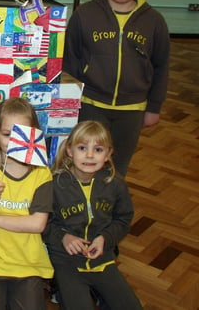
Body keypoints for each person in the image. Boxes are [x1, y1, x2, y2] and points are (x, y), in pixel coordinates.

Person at [63, 0, 170, 177]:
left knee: (117, 168)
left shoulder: (154, 22)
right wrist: (68, 103)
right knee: (85, 163)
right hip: (90, 104)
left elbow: (161, 66)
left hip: (131, 110)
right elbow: (69, 61)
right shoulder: (84, 15)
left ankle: (108, 209)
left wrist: (154, 107)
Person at [44, 120, 142, 310]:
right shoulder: (54, 185)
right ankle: (60, 288)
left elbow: (123, 219)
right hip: (66, 260)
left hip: (102, 258)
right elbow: (43, 222)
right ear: (70, 151)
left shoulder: (115, 185)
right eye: (82, 147)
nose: (89, 155)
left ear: (108, 154)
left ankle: (97, 293)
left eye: (98, 149)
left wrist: (105, 238)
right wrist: (63, 237)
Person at [0, 97, 54, 310]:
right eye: (7, 134)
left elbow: (37, 224)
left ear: (33, 135)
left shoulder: (42, 175)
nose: (15, 142)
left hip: (27, 262)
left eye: (21, 134)